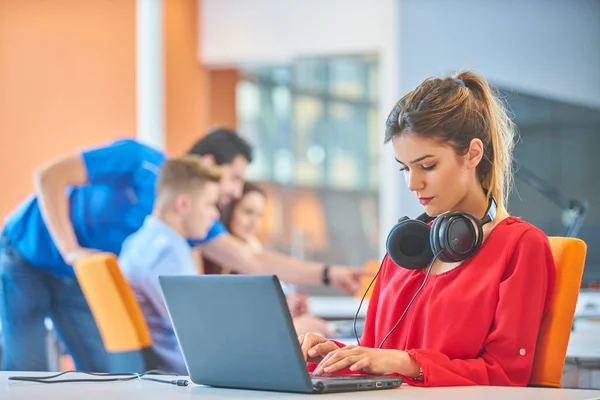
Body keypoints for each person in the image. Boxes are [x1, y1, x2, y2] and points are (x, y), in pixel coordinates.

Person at [0, 128, 362, 372]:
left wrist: (329, 274)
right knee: (24, 365)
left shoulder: (176, 227)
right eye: (234, 178)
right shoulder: (141, 168)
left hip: (80, 271)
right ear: (202, 177)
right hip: (27, 251)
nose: (235, 193)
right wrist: (71, 250)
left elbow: (249, 258)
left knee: (102, 371)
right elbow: (48, 176)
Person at [299, 71, 556, 387]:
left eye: (428, 166)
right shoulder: (405, 247)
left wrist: (409, 363)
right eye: (404, 168)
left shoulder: (520, 245)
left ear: (473, 153)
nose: (412, 183)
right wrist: (334, 356)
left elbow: (504, 376)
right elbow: (380, 357)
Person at [120, 156, 221, 374]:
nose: (216, 214)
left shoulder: (139, 241)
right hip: (185, 372)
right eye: (210, 204)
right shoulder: (165, 253)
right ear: (183, 204)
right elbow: (201, 332)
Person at [205, 182, 335, 337]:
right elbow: (238, 325)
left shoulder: (258, 252)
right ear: (228, 211)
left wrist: (291, 310)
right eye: (248, 212)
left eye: (259, 215)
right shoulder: (216, 260)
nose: (254, 222)